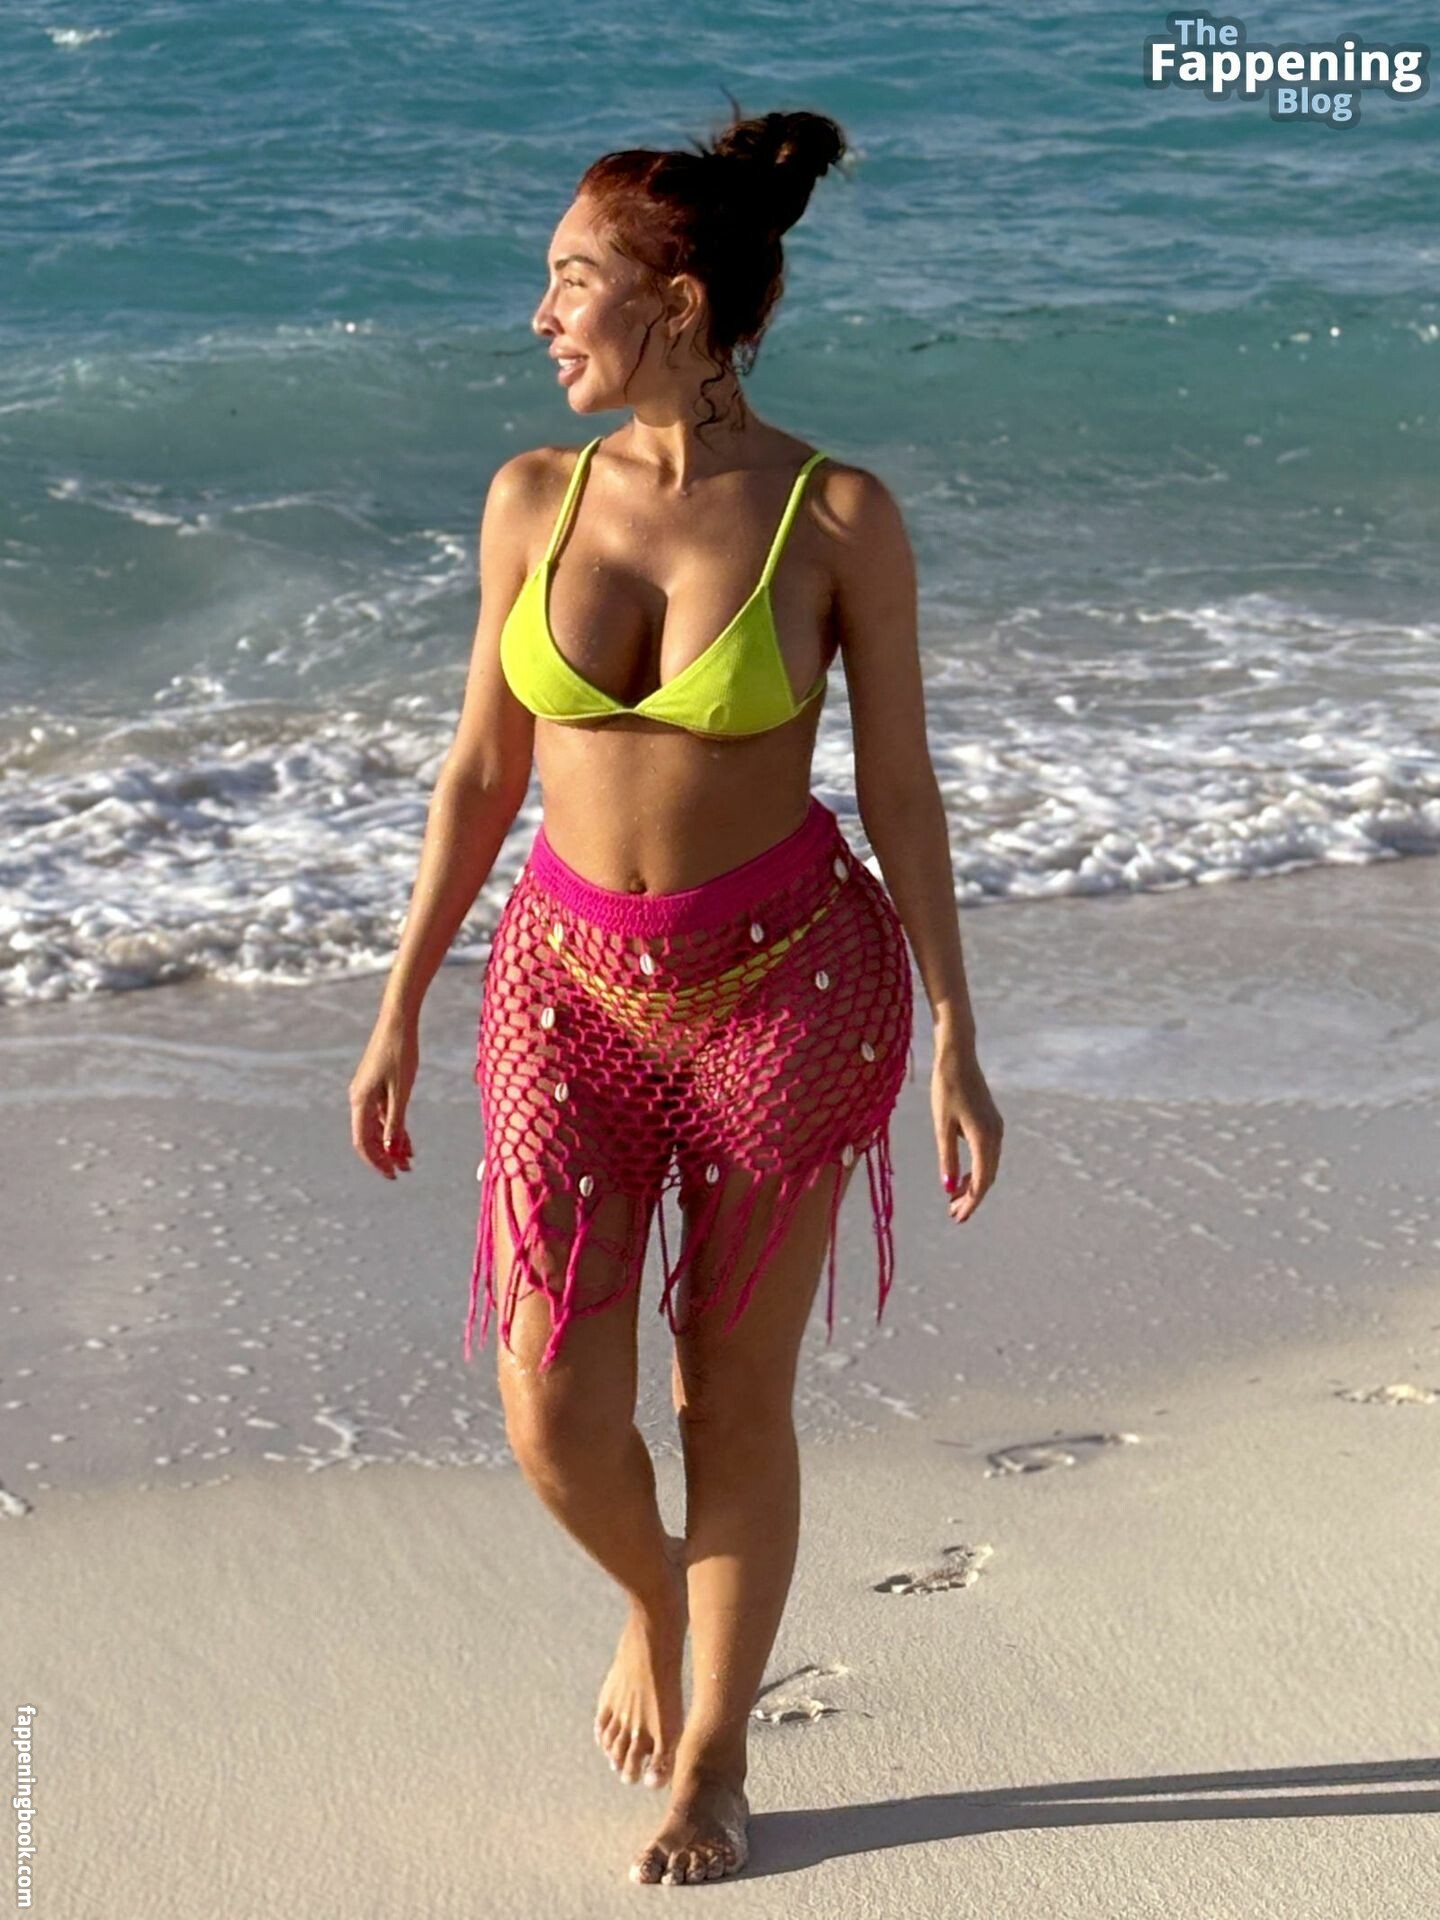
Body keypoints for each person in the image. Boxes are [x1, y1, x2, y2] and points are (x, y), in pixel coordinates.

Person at [348, 104, 1003, 1889]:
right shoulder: (531, 499)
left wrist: (956, 1030)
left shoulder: (835, 516)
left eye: (574, 280)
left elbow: (902, 789)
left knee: (730, 1391)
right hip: (564, 985)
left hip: (790, 989)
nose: (542, 313)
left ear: (683, 302)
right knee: (553, 1403)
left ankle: (716, 1754)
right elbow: (480, 771)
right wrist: (403, 1000)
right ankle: (659, 1601)